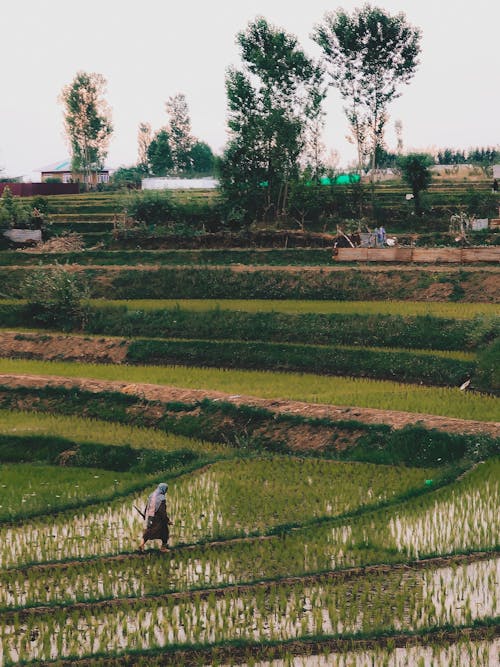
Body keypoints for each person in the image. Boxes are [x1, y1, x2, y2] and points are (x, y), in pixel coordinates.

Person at [139, 482, 171, 552]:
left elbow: (147, 507)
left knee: (149, 531)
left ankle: (142, 544)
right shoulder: (161, 498)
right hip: (158, 518)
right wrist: (167, 520)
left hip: (150, 516)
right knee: (165, 532)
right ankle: (163, 548)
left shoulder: (151, 495)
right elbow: (162, 511)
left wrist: (145, 515)